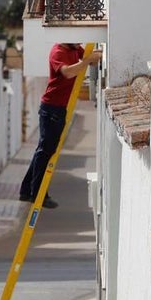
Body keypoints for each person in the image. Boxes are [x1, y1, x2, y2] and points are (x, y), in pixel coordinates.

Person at [19, 42, 103, 209]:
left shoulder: (74, 48)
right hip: (51, 109)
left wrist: (97, 55)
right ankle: (37, 194)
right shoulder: (58, 52)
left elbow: (88, 58)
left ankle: (27, 190)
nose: (78, 42)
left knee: (44, 151)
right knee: (45, 152)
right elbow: (67, 72)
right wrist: (87, 62)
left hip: (58, 109)